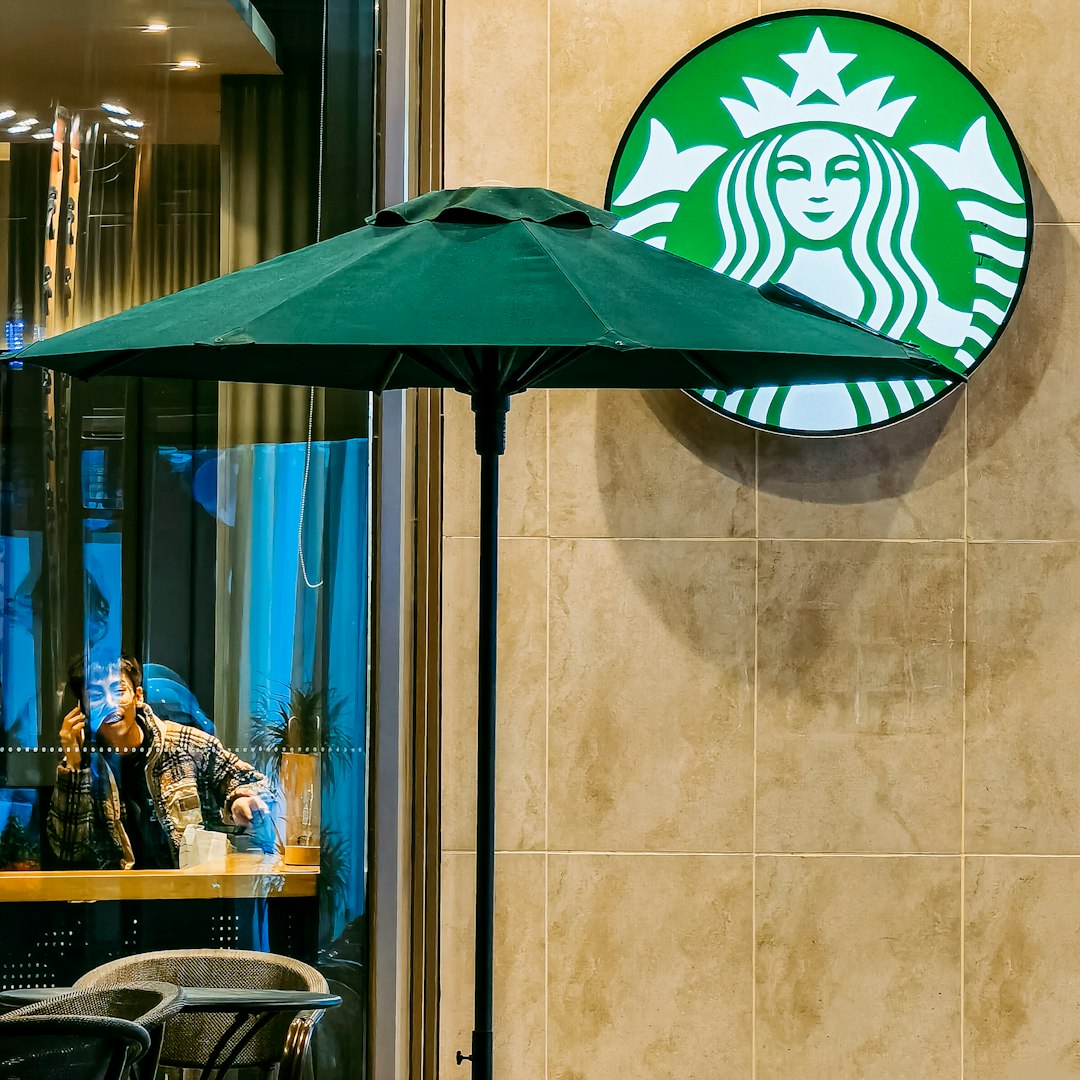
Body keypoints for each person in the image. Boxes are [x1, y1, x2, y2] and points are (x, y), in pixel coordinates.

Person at [47, 653, 274, 870]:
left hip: (187, 895)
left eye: (118, 691)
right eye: (96, 696)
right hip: (114, 901)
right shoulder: (86, 765)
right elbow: (68, 849)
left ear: (138, 696)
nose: (110, 703)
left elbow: (255, 784)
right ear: (83, 710)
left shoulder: (187, 744)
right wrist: (75, 766)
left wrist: (240, 799)